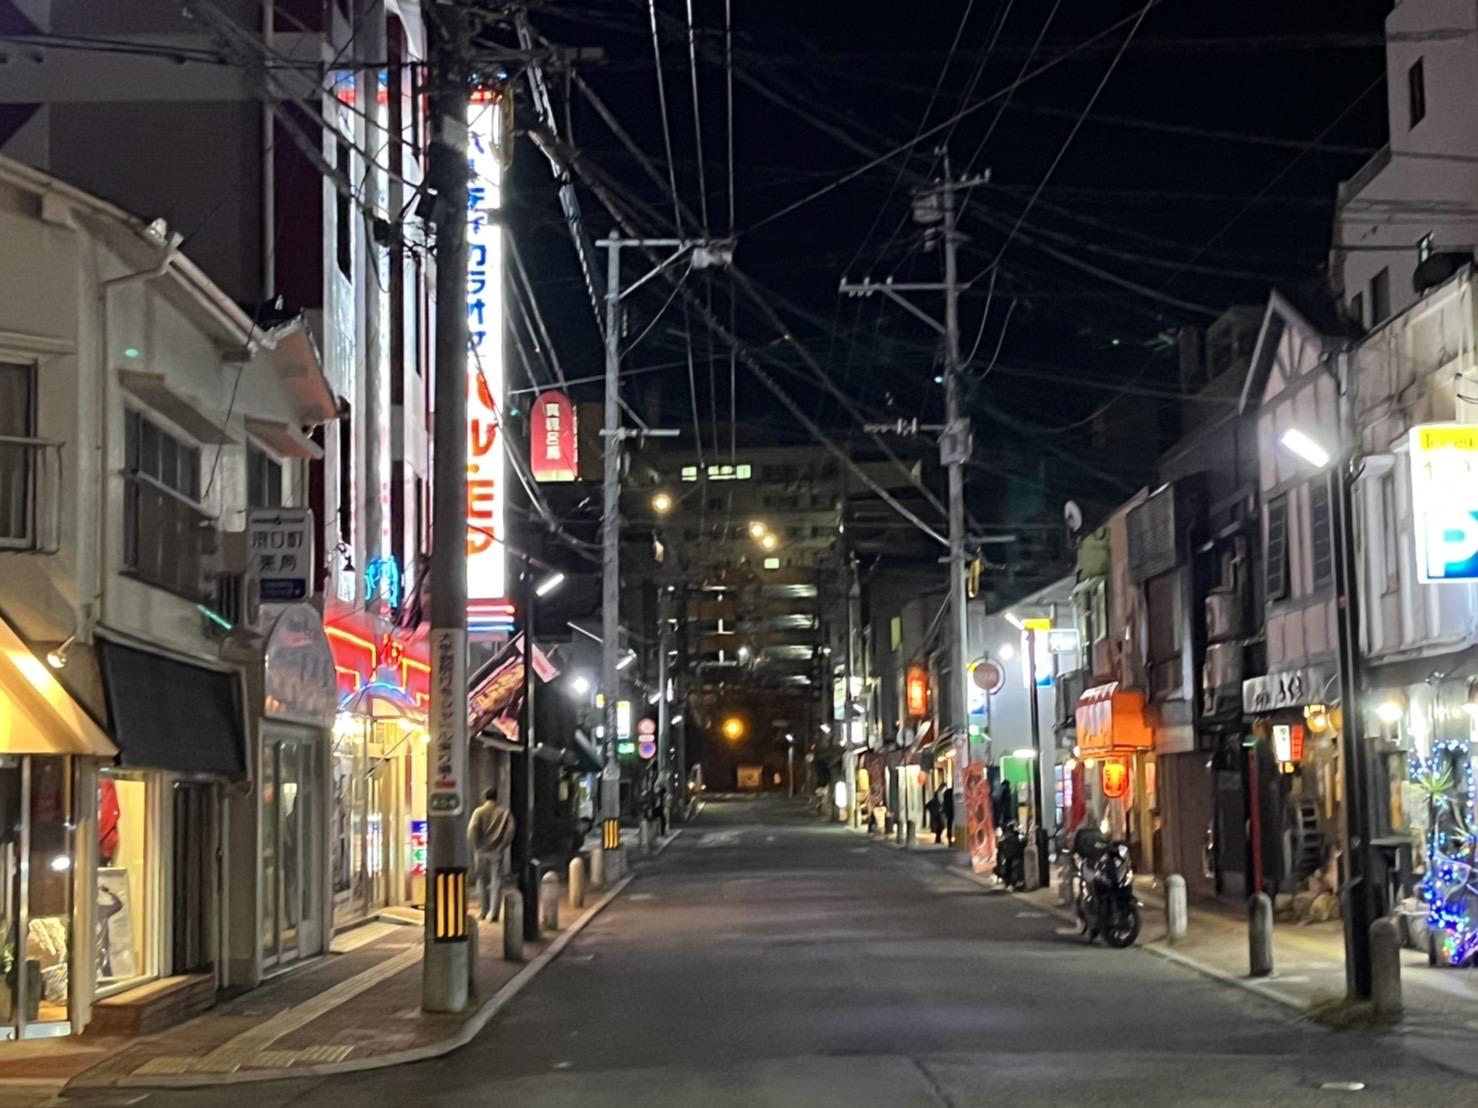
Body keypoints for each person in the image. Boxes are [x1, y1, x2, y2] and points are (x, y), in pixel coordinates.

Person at [467, 787, 514, 922]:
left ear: (484, 797)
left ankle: (484, 910)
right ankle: (493, 912)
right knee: (496, 882)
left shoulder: (479, 812)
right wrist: (502, 846)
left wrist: (476, 846)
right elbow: (510, 830)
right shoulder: (504, 813)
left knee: (481, 881)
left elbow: (471, 829)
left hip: (481, 851)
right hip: (496, 852)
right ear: (496, 797)